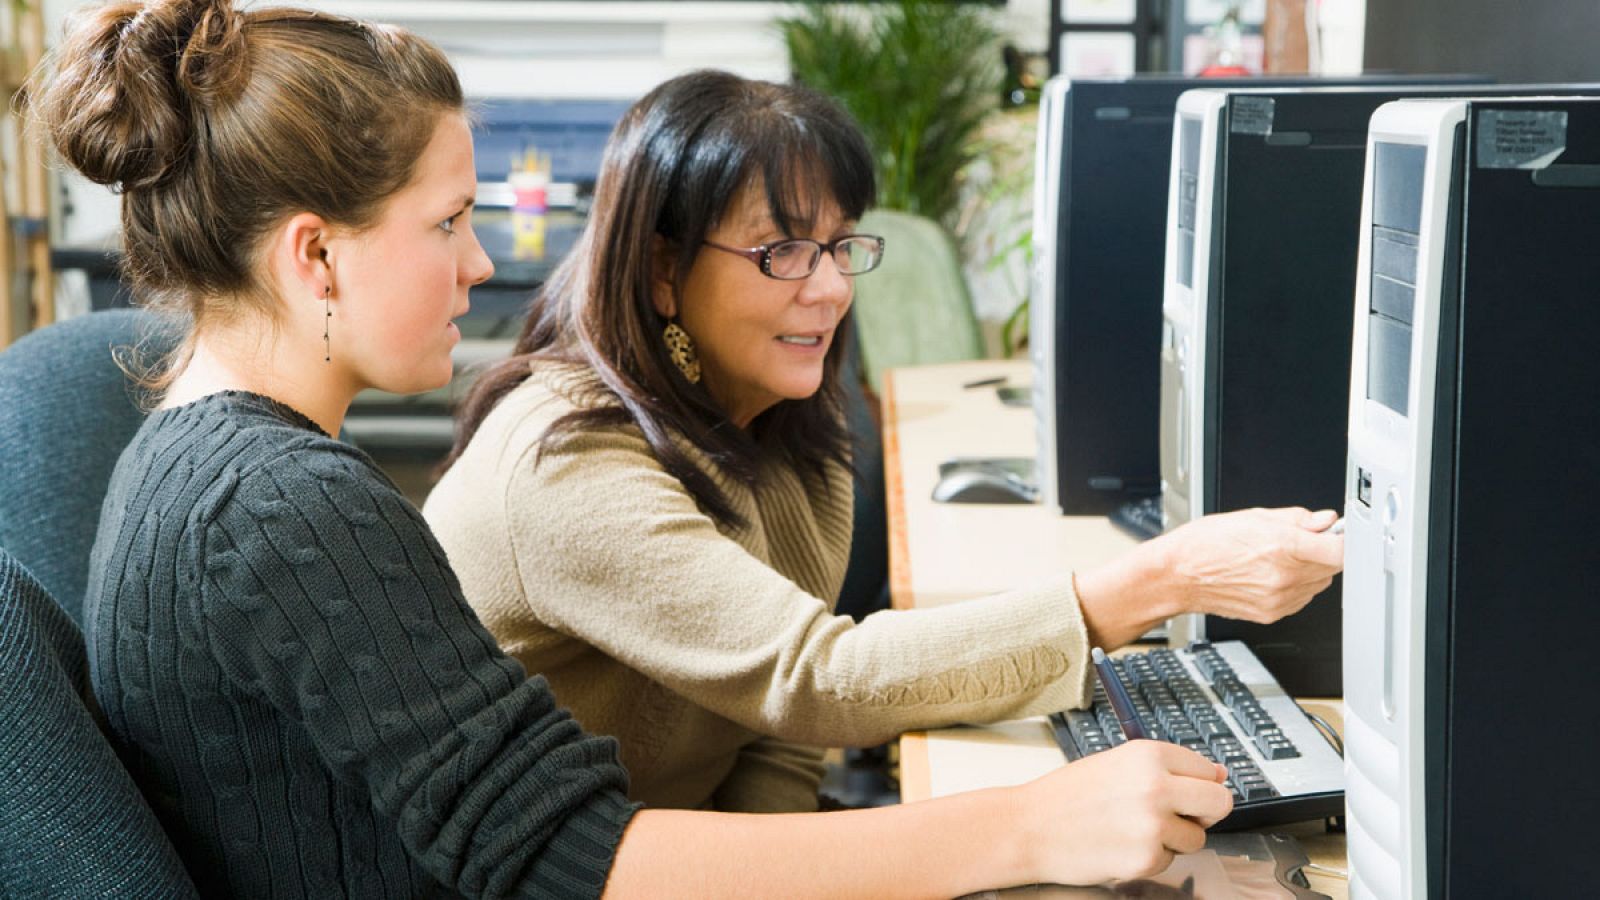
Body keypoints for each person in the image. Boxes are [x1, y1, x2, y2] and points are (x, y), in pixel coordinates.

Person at [39, 1, 1238, 895]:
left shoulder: (208, 468)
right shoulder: (280, 512)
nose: (475, 263)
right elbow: (573, 861)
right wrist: (1027, 826)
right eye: (447, 223)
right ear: (316, 256)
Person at [426, 69, 1345, 813]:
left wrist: (787, 866)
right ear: (663, 271)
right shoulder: (568, 457)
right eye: (780, 252)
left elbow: (776, 735)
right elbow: (814, 677)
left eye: (839, 246)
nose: (828, 290)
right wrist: (1161, 578)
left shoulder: (783, 422)